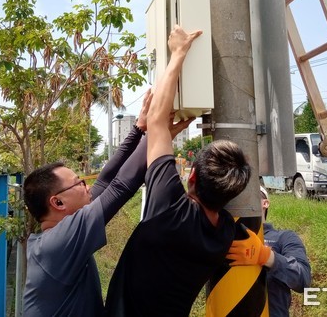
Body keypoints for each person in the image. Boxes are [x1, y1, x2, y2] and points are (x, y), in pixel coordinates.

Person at [105, 25, 252, 317]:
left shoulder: (170, 207)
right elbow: (158, 125)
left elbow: (156, 120)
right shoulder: (222, 233)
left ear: (193, 177)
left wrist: (179, 53)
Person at [22, 90, 191, 317]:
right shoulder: (56, 244)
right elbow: (120, 187)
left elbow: (105, 181)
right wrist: (157, 130)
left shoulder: (54, 236)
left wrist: (140, 128)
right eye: (79, 183)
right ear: (58, 202)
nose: (87, 186)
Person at [228, 186, 312, 316]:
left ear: (265, 203)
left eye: (249, 193)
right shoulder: (221, 239)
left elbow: (303, 279)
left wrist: (267, 257)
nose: (241, 199)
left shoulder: (284, 237)